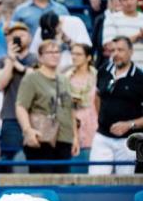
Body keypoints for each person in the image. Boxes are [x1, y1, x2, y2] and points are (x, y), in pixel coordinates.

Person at [16, 40, 79, 174]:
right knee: (42, 183)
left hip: (64, 139)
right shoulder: (31, 78)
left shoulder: (64, 80)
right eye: (50, 52)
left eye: (57, 52)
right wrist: (28, 130)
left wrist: (75, 137)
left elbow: (70, 109)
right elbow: (21, 106)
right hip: (41, 138)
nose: (54, 55)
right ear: (40, 56)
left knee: (63, 184)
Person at [89, 36, 143, 175]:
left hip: (128, 141)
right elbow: (97, 96)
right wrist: (102, 119)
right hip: (102, 136)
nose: (116, 54)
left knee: (126, 183)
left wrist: (129, 125)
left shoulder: (139, 78)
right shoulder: (103, 70)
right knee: (95, 181)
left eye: (121, 50)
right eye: (113, 50)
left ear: (131, 52)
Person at [0, 22, 37, 167]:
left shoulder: (36, 59)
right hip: (10, 118)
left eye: (22, 35)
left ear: (30, 38)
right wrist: (11, 60)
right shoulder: (3, 61)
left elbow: (36, 81)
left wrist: (20, 66)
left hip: (35, 117)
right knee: (9, 161)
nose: (18, 38)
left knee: (35, 161)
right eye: (14, 36)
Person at [65, 44, 98, 173]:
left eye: (78, 54)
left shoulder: (97, 77)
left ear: (88, 57)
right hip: (71, 128)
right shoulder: (66, 77)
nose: (74, 57)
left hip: (93, 128)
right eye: (72, 54)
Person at [102, 0, 143, 68]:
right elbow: (109, 46)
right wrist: (137, 36)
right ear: (120, 1)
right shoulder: (112, 18)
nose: (129, 2)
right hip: (119, 67)